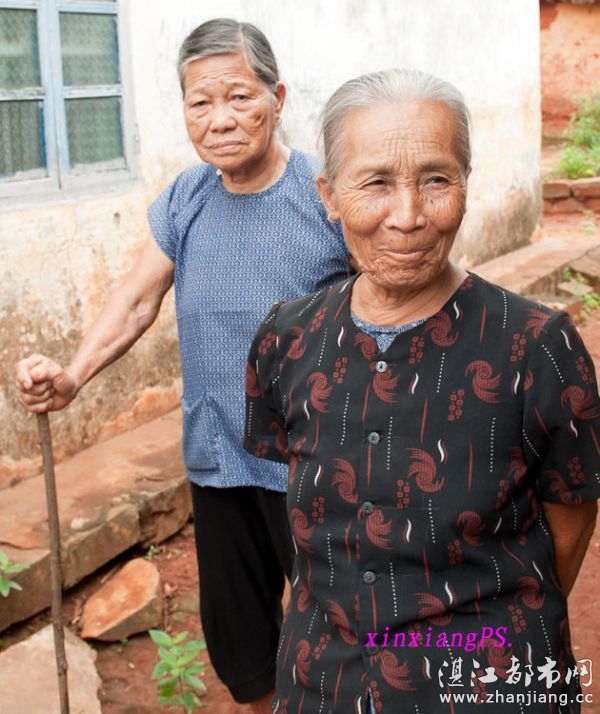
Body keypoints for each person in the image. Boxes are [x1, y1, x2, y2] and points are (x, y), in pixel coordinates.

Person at [15, 18, 348, 713]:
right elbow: (137, 300)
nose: (220, 119)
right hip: (219, 459)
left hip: (317, 466)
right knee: (243, 648)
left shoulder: (327, 193)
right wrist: (73, 376)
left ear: (277, 97)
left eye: (239, 97)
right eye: (201, 102)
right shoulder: (187, 197)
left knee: (344, 633)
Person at [244, 68, 600, 712]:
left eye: (436, 180)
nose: (407, 217)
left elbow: (570, 519)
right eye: (376, 182)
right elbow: (305, 521)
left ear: (466, 184)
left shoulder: (536, 347)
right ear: (328, 194)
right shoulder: (287, 338)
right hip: (323, 683)